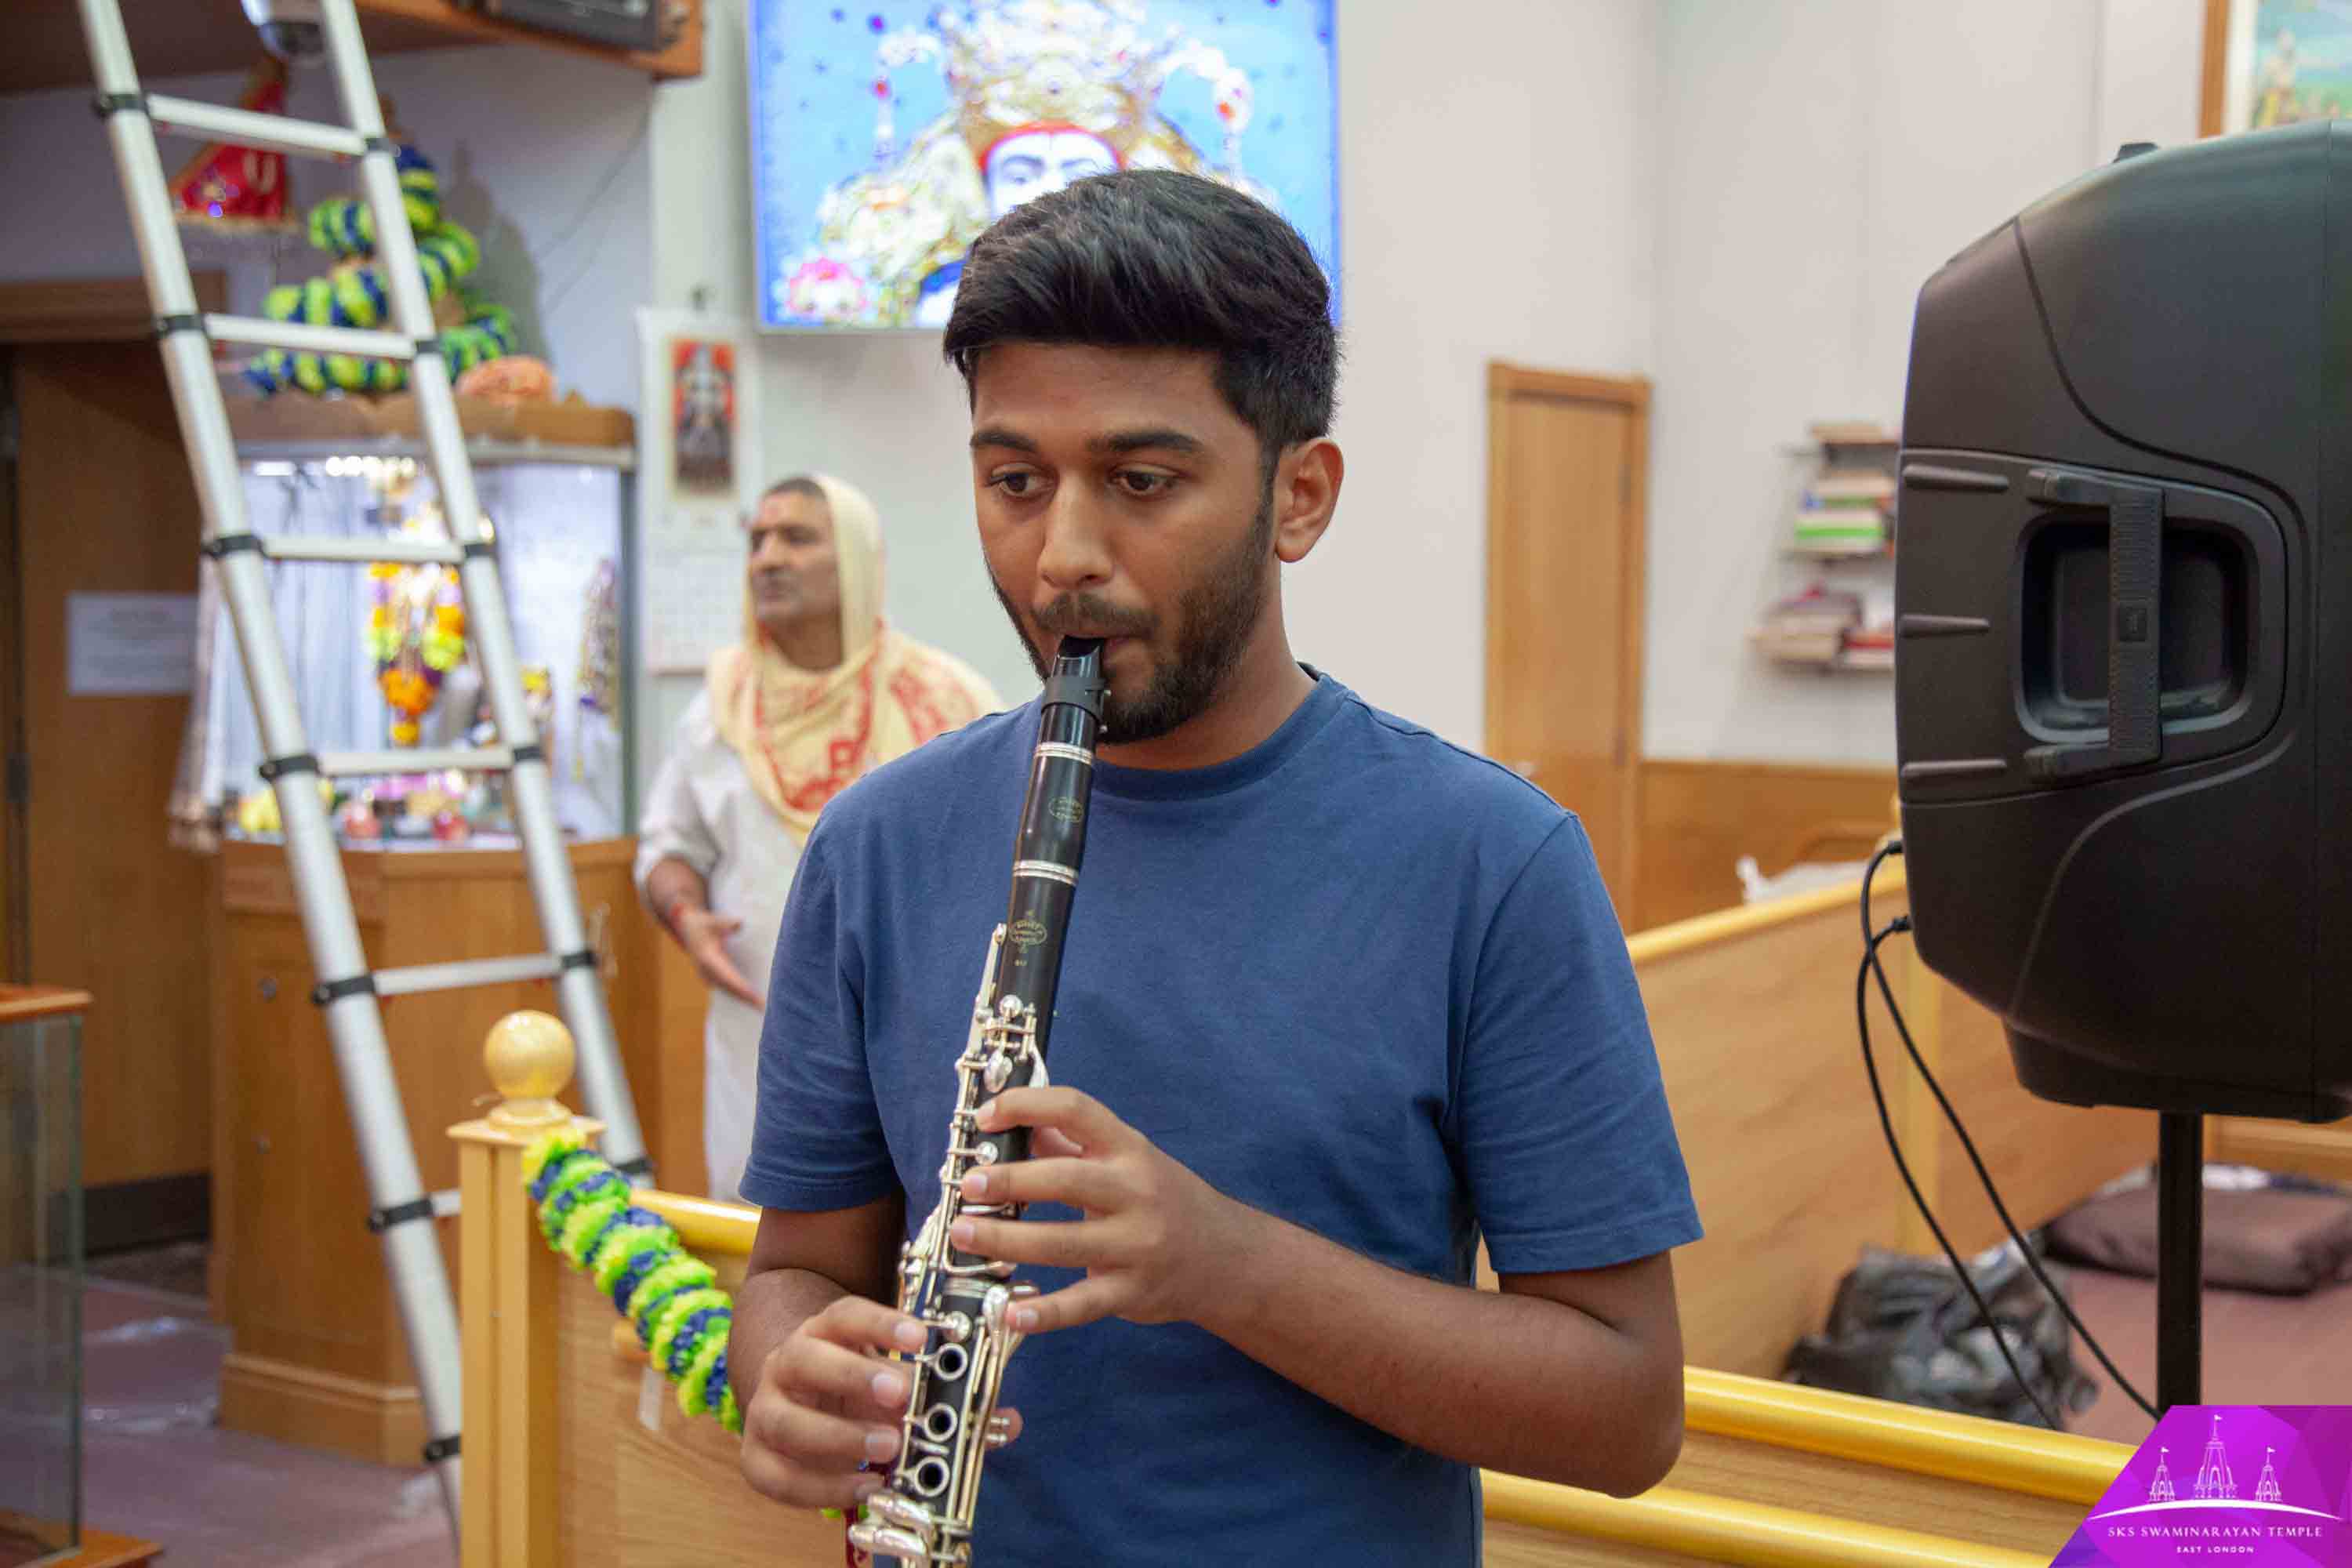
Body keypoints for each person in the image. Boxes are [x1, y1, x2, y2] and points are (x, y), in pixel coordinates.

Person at [730, 172, 1701, 1564]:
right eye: (1015, 482)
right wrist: (791, 1374)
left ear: (1298, 495)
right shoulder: (877, 844)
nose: (1063, 558)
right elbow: (797, 1270)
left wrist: (1221, 1264)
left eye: (1142, 482)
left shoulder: (1495, 862)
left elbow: (1627, 1412)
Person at [634, 474, 1002, 1201]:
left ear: (857, 560)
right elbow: (670, 847)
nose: (767, 558)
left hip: (925, 1029)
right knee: (764, 1228)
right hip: (759, 1029)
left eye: (797, 538)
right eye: (758, 540)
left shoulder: (945, 701)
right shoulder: (720, 709)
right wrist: (686, 916)